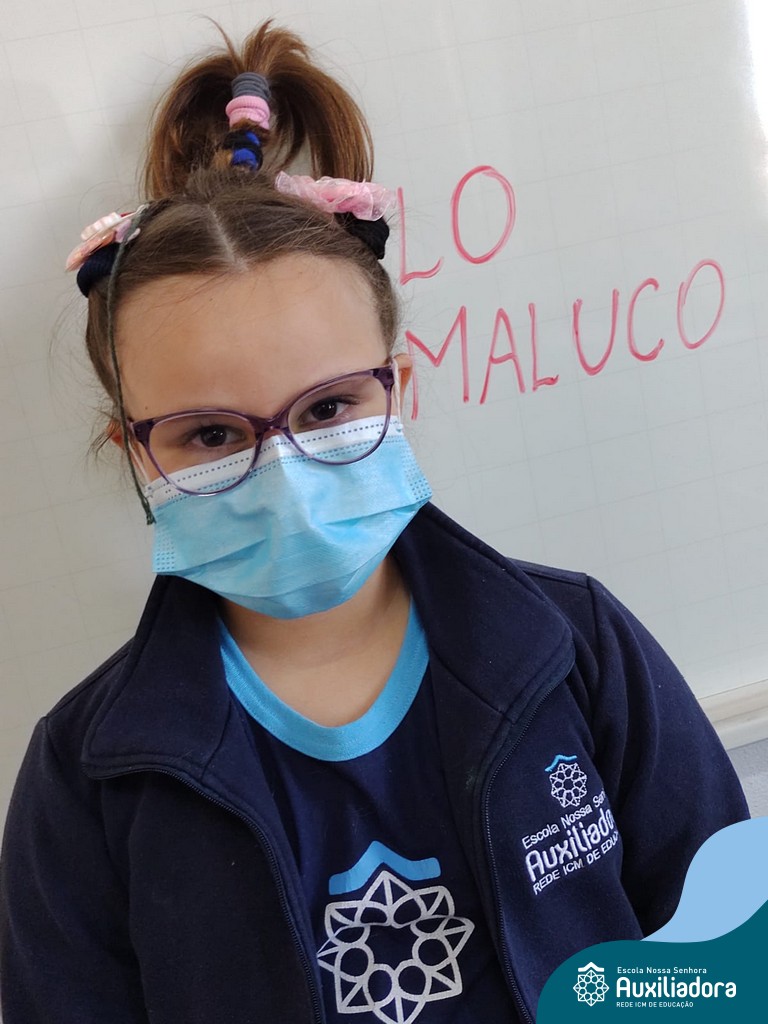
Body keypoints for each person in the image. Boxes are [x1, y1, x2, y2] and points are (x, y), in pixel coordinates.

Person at [0, 21, 748, 1024]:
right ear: (137, 452)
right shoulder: (86, 778)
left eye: (327, 409)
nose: (286, 472)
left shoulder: (577, 649)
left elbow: (724, 960)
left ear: (399, 388)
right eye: (212, 433)